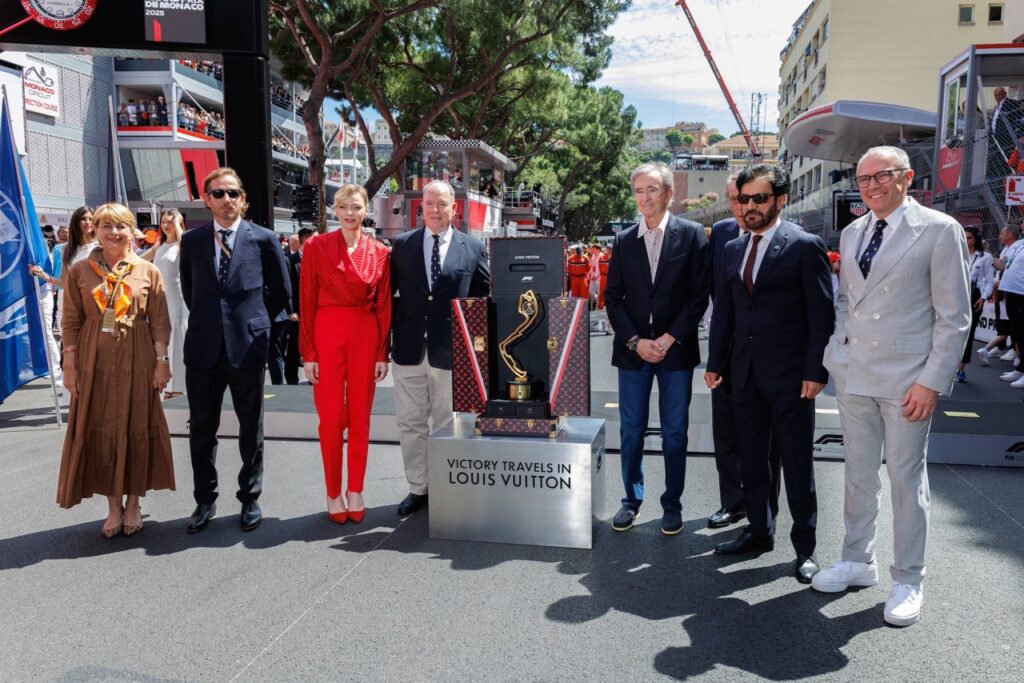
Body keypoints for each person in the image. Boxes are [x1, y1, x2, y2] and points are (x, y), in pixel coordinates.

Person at [813, 146, 971, 627]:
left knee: (905, 481)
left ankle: (909, 578)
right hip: (855, 373)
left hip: (908, 382)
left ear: (906, 177)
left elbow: (955, 318)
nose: (871, 186)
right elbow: (846, 301)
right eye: (862, 180)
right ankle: (858, 560)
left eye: (881, 176)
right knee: (857, 475)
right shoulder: (854, 229)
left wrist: (931, 382)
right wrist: (836, 353)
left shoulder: (940, 230)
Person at [705, 165, 834, 583]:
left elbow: (821, 316)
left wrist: (815, 370)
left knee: (796, 464)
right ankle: (759, 531)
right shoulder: (731, 249)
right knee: (753, 461)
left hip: (792, 377)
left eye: (759, 199)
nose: (750, 207)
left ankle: (805, 549)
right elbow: (725, 311)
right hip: (743, 375)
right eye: (744, 199)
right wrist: (715, 362)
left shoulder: (804, 245)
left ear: (781, 199)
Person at [178, 167, 291, 533]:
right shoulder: (192, 242)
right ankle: (204, 500)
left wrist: (255, 321)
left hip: (248, 348)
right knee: (201, 431)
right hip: (203, 350)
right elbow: (191, 292)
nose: (226, 200)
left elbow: (282, 293)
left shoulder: (264, 239)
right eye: (218, 193)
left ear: (243, 198)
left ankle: (250, 498)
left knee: (250, 430)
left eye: (233, 193)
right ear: (206, 199)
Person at [604, 162, 711, 536]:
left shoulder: (693, 235)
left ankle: (672, 504)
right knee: (631, 430)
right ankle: (631, 501)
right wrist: (636, 341)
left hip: (675, 352)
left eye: (652, 190)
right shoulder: (622, 240)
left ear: (669, 194)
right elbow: (612, 298)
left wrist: (668, 338)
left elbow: (699, 296)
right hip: (633, 352)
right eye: (638, 191)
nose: (645, 198)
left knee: (675, 432)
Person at [55, 203, 174, 537]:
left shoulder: (147, 270)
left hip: (138, 357)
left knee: (137, 422)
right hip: (94, 360)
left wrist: (162, 363)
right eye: (106, 226)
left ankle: (133, 503)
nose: (114, 233)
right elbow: (70, 321)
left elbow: (160, 323)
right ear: (95, 229)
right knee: (102, 423)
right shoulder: (80, 271)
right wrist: (70, 364)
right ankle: (112, 507)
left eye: (121, 226)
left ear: (131, 231)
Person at [390, 179, 490, 516]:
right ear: (421, 209)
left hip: (451, 353)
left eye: (442, 204)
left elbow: (483, 300)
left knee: (449, 424)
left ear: (454, 209)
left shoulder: (473, 248)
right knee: (410, 423)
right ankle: (418, 488)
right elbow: (388, 299)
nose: (435, 209)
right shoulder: (401, 245)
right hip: (408, 351)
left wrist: (477, 351)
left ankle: (448, 487)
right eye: (429, 203)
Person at [300, 185, 391, 524]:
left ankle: (356, 489)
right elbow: (306, 300)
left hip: (365, 334)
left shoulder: (380, 252)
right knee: (330, 419)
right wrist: (308, 351)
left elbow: (383, 305)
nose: (349, 213)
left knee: (361, 417)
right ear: (334, 211)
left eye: (355, 207)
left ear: (366, 210)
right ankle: (332, 491)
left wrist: (383, 352)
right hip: (326, 332)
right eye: (342, 207)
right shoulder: (316, 246)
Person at [704, 175, 782, 531]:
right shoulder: (720, 234)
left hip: (767, 354)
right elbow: (716, 297)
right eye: (735, 199)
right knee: (726, 432)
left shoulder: (784, 236)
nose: (743, 207)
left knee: (768, 440)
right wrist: (714, 356)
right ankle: (731, 503)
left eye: (749, 199)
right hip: (728, 350)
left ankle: (765, 508)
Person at [144, 210, 188, 398]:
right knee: (164, 342)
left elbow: (184, 239)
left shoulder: (183, 244)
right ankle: (169, 387)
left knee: (179, 340)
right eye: (163, 221)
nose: (166, 225)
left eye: (170, 221)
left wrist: (178, 225)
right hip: (161, 300)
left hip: (178, 300)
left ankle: (180, 388)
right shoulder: (159, 245)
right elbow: (139, 260)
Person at [956, 226, 994, 382]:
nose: (966, 240)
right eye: (964, 237)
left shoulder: (985, 257)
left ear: (976, 239)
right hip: (955, 294)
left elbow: (989, 281)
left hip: (973, 296)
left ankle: (960, 368)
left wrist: (984, 298)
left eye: (969, 237)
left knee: (968, 334)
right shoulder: (956, 253)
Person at [285, 228, 312, 384]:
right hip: (298, 314)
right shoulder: (290, 261)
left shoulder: (318, 260)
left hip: (315, 312)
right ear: (305, 241)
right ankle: (291, 380)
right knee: (294, 347)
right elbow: (287, 289)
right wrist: (291, 311)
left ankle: (313, 378)